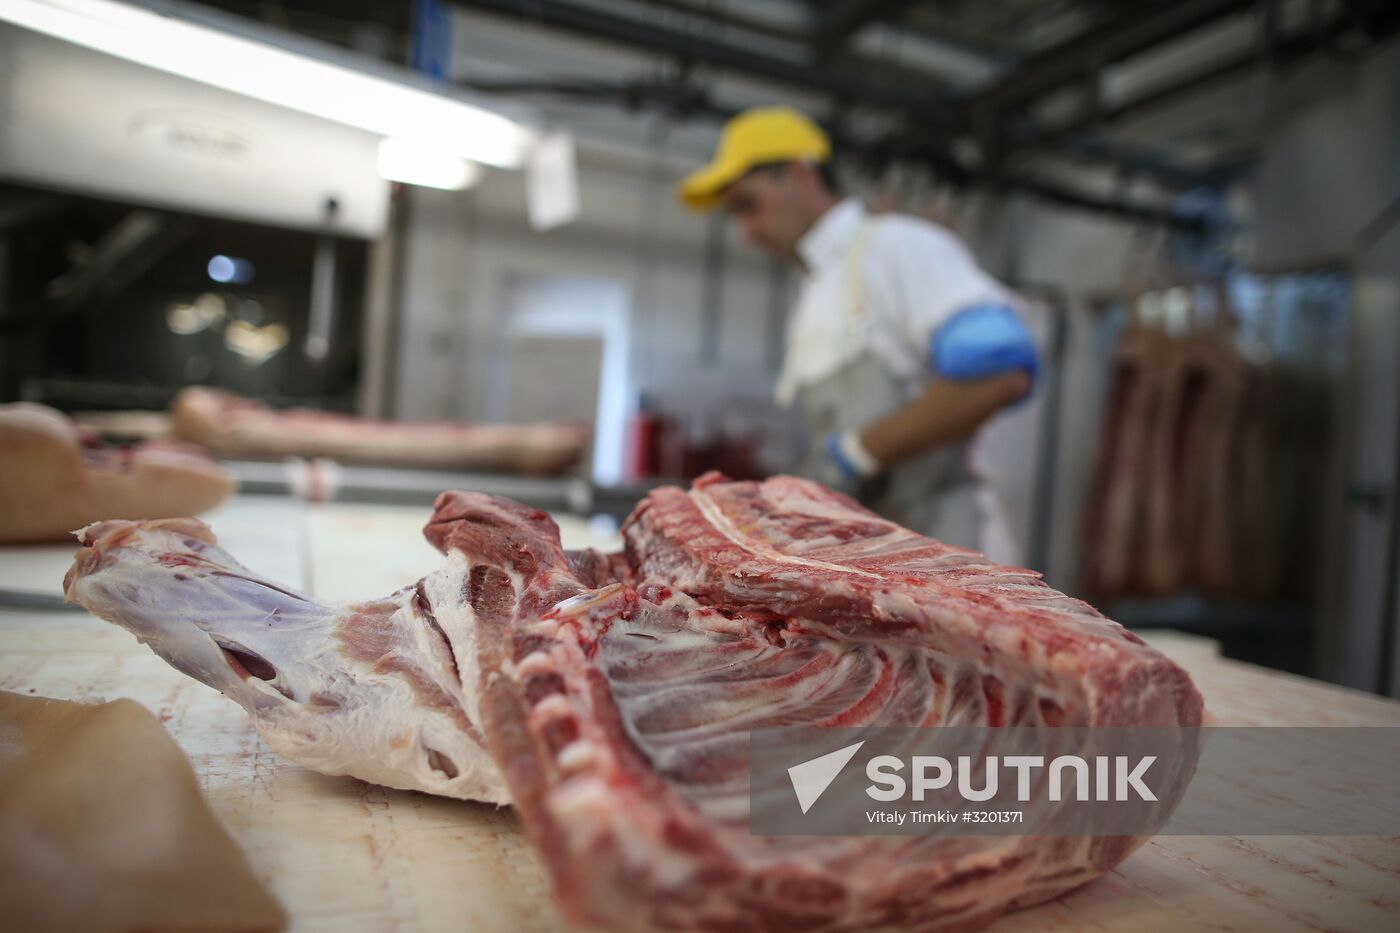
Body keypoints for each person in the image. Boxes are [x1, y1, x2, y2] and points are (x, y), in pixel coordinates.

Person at [677, 106, 1038, 564]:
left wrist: (857, 452)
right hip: (879, 566)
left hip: (947, 559)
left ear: (799, 175)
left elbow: (1000, 369)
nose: (747, 233)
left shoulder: (895, 247)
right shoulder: (816, 289)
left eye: (749, 205)